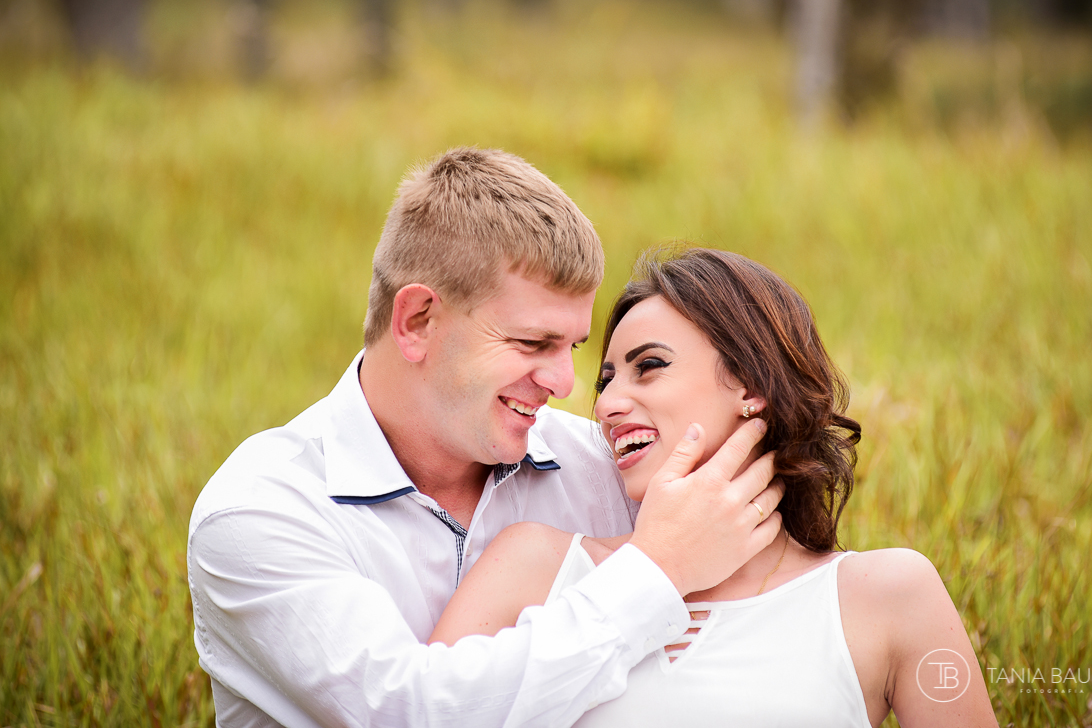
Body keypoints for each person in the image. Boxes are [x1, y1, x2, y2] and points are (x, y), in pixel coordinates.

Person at [187, 149, 785, 727]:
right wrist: (656, 570)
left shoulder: (606, 469)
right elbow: (410, 715)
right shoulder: (259, 509)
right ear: (418, 322)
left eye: (573, 347)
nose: (566, 383)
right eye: (532, 344)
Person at [430, 247, 1000, 728]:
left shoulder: (888, 595)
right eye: (605, 381)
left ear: (752, 384)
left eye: (648, 366)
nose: (605, 404)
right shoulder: (532, 567)